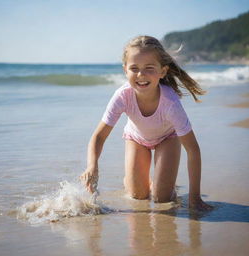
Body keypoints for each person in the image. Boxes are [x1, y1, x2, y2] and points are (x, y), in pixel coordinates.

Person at [80, 35, 213, 210]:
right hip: (136, 139)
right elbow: (99, 136)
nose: (141, 75)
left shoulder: (171, 104)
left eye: (149, 68)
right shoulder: (122, 96)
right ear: (125, 70)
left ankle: (164, 184)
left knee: (162, 199)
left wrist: (194, 197)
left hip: (168, 138)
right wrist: (92, 166)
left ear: (162, 71)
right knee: (137, 196)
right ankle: (133, 180)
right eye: (134, 68)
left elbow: (193, 150)